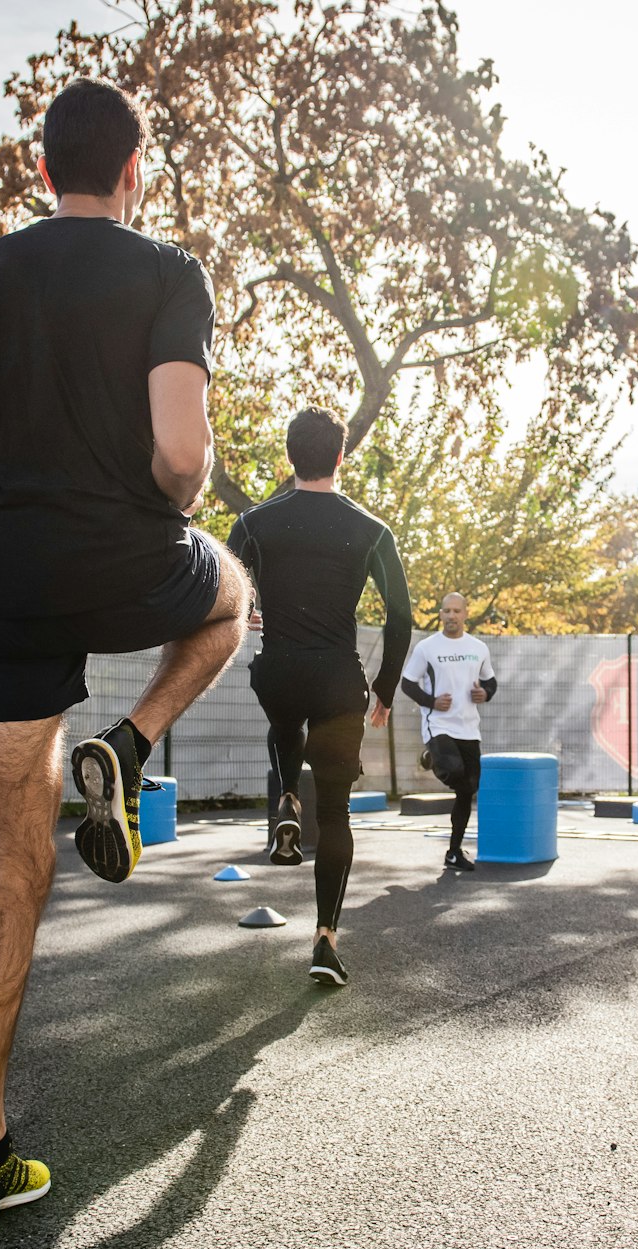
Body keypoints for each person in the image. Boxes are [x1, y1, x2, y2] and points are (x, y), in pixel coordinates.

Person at [0, 78, 248, 1232]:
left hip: (2, 591)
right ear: (135, 173)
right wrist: (173, 493)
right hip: (128, 566)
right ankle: (129, 740)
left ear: (41, 173)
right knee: (230, 597)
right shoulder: (168, 272)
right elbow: (181, 456)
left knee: (10, 874)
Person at [227, 407, 413, 986]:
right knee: (335, 814)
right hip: (339, 680)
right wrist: (384, 689)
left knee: (284, 720)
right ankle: (325, 940)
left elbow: (225, 588)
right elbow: (401, 618)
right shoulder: (371, 529)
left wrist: (251, 608)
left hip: (278, 671)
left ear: (290, 455)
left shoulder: (254, 523)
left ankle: (285, 797)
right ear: (340, 456)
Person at [400, 593, 497, 871]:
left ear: (466, 613)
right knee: (454, 773)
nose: (451, 616)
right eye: (446, 611)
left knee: (468, 789)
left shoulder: (478, 648)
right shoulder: (427, 648)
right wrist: (431, 702)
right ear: (441, 615)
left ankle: (453, 853)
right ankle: (434, 755)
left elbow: (491, 681)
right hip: (438, 725)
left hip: (469, 728)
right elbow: (407, 684)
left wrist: (485, 693)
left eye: (456, 611)